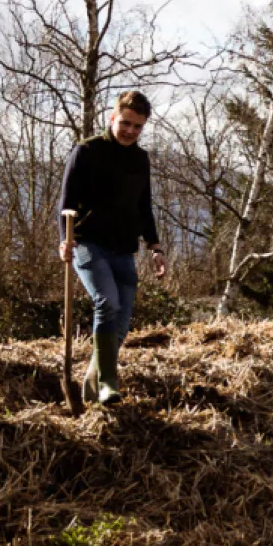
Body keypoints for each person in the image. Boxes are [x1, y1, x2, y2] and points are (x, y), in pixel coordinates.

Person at [57, 90, 169, 404]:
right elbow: (65, 203)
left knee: (120, 326)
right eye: (126, 123)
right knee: (106, 303)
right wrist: (64, 241)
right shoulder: (87, 151)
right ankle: (109, 381)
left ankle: (92, 385)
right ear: (113, 117)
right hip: (88, 244)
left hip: (123, 249)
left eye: (137, 127)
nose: (130, 131)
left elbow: (143, 207)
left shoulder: (140, 159)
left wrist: (155, 248)